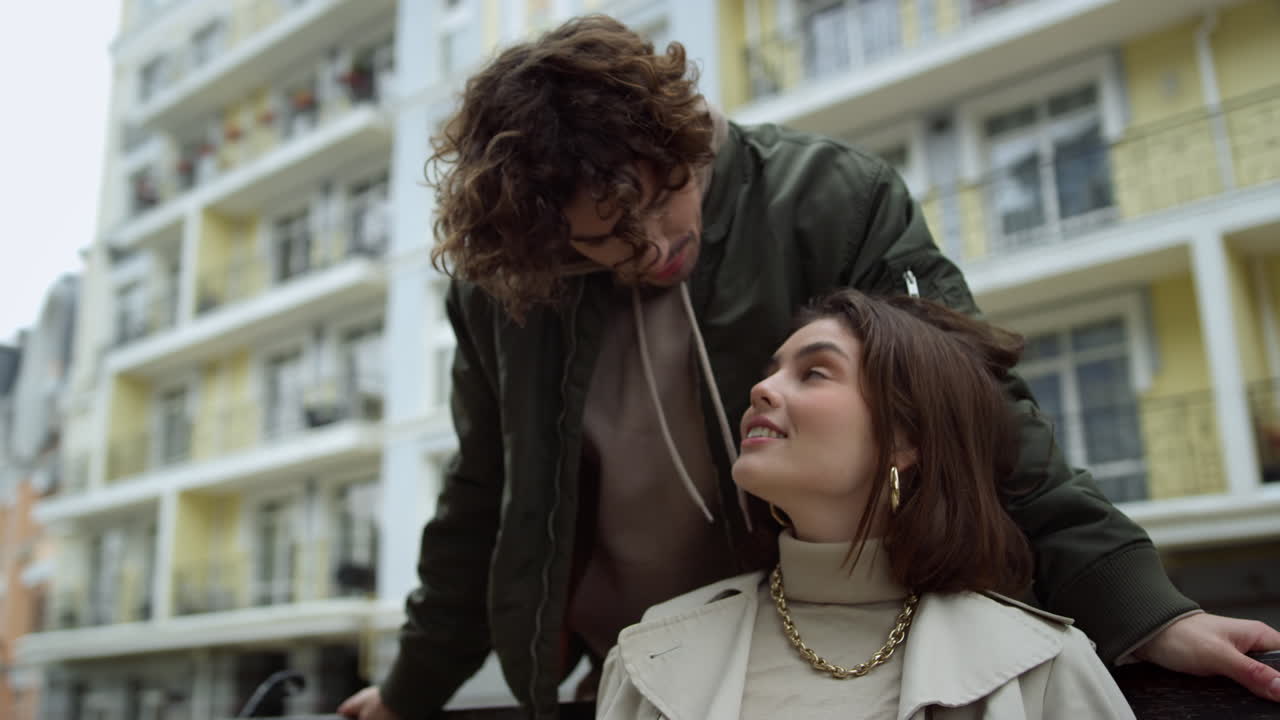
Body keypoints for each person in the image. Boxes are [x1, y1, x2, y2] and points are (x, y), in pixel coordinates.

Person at [338, 14, 1280, 720]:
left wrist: (1142, 609)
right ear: (547, 242)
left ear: (684, 135)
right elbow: (484, 500)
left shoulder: (833, 198)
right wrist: (411, 690)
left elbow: (974, 402)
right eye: (601, 244)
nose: (656, 246)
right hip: (636, 667)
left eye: (667, 197)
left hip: (823, 634)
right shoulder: (503, 298)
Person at [597, 288, 1136, 720]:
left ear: (906, 439)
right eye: (772, 370)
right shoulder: (648, 654)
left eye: (814, 372)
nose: (762, 388)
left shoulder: (1041, 665)